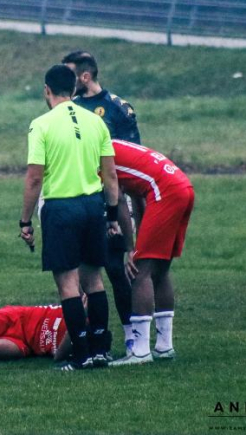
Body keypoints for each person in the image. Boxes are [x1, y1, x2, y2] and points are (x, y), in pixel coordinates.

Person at [19, 65, 120, 371]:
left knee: (68, 284)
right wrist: (112, 215)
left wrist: (25, 221)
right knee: (94, 280)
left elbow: (35, 178)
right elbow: (111, 175)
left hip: (61, 209)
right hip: (92, 206)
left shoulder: (41, 125)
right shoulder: (96, 122)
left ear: (46, 90)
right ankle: (101, 348)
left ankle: (82, 354)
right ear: (75, 90)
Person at [63, 50, 140, 354]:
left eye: (71, 75)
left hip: (114, 202)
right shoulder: (69, 109)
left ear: (85, 76)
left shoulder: (118, 110)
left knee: (117, 269)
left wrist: (130, 212)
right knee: (85, 273)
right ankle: (95, 341)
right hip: (83, 201)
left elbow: (134, 163)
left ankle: (133, 335)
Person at [108, 140, 195, 366]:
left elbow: (118, 201)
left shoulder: (95, 154)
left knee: (140, 272)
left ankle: (140, 351)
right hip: (182, 186)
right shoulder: (117, 145)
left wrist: (130, 249)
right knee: (160, 268)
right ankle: (164, 346)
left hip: (165, 191)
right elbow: (137, 198)